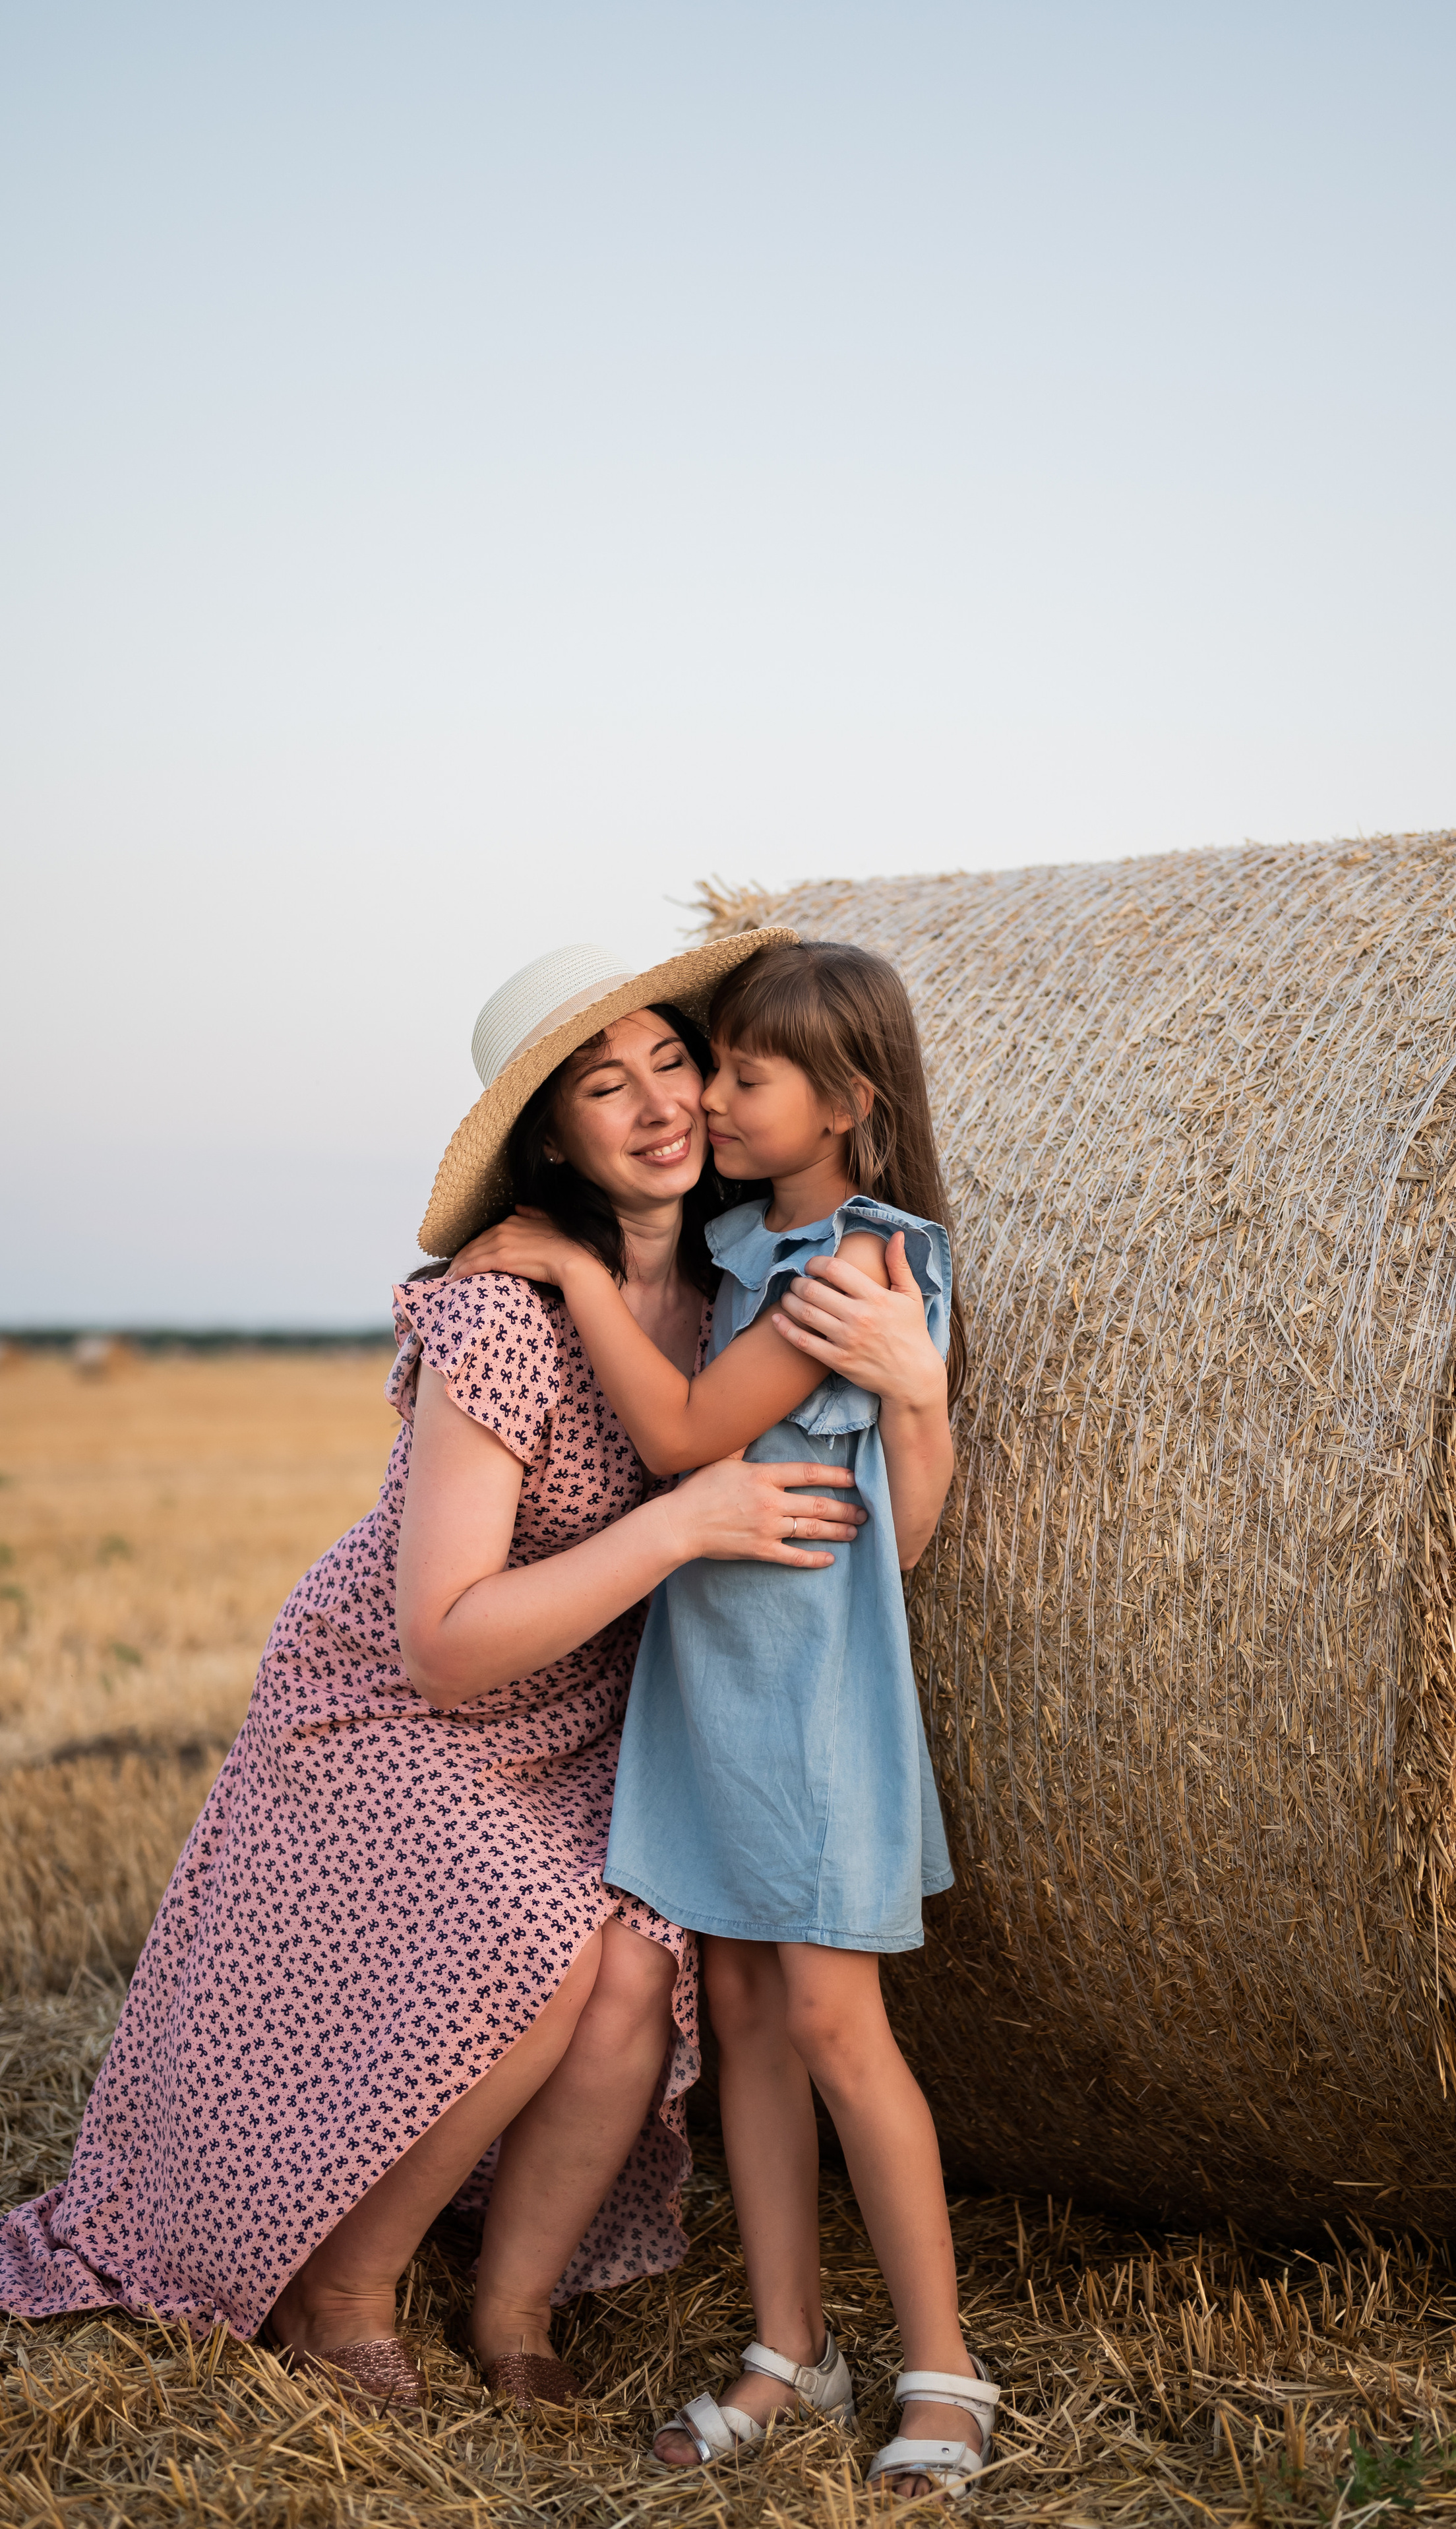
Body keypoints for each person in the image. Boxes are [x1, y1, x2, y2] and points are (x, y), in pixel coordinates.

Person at [0, 931, 941, 2416]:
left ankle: (512, 2310)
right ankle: (342, 2295)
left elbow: (877, 1521)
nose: (655, 1108)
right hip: (396, 1706)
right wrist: (681, 1521)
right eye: (598, 1086)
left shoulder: (738, 1287)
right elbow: (443, 1642)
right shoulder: (495, 1313)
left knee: (641, 1962)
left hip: (586, 1720)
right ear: (551, 1137)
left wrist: (922, 1390)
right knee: (543, 1933)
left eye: (671, 1063)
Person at [468, 938, 994, 2499]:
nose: (704, 1096)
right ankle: (787, 2349)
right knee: (750, 2028)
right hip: (706, 1690)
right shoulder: (735, 1241)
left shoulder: (863, 1263)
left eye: (735, 1074)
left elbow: (690, 1429)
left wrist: (565, 1271)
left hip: (811, 1700)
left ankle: (942, 2366)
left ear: (841, 1103)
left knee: (837, 2025)